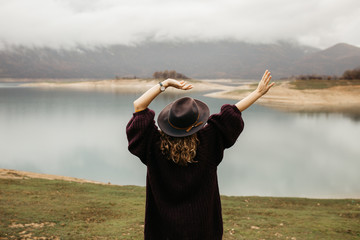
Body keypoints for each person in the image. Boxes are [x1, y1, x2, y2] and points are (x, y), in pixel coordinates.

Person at [126, 70, 274, 240]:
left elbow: (139, 106)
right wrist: (257, 93)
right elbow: (233, 112)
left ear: (169, 123)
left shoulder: (153, 145)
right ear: (197, 123)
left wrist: (164, 84)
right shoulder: (208, 140)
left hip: (162, 231)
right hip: (202, 230)